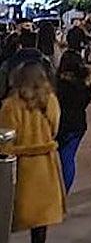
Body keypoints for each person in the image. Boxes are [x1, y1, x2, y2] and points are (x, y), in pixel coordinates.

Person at [2, 63, 66, 243]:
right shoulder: (50, 100)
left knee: (17, 210)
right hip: (45, 164)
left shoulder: (10, 105)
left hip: (21, 166)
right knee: (40, 218)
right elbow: (54, 129)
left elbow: (5, 138)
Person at [54, 49, 91, 193]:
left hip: (60, 124)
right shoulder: (85, 83)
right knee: (68, 159)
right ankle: (65, 191)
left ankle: (57, 190)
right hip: (78, 125)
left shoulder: (58, 83)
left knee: (56, 159)